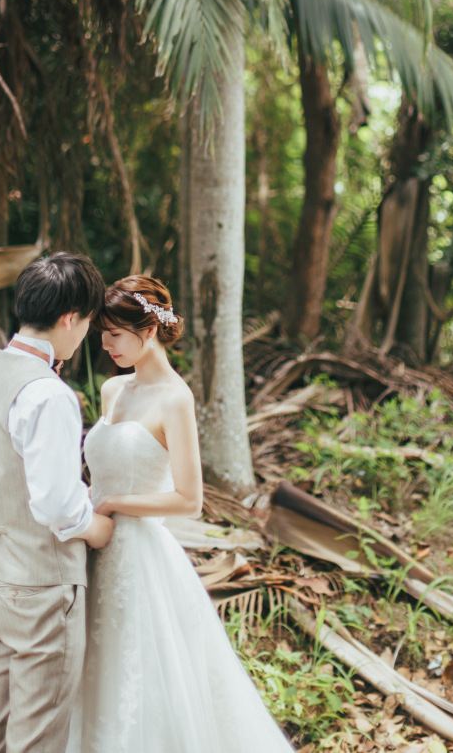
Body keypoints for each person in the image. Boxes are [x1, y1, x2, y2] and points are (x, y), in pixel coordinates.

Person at [66, 274, 295, 753]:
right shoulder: (112, 391)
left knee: (138, 672)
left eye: (114, 334)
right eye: (103, 334)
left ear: (147, 332)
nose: (105, 344)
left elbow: (189, 499)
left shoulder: (176, 398)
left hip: (139, 556)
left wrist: (113, 503)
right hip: (91, 548)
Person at [0, 251, 114, 753]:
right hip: (41, 586)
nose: (85, 333)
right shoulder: (49, 393)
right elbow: (58, 506)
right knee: (36, 738)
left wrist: (7, 516)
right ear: (70, 318)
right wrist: (97, 528)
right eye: (87, 322)